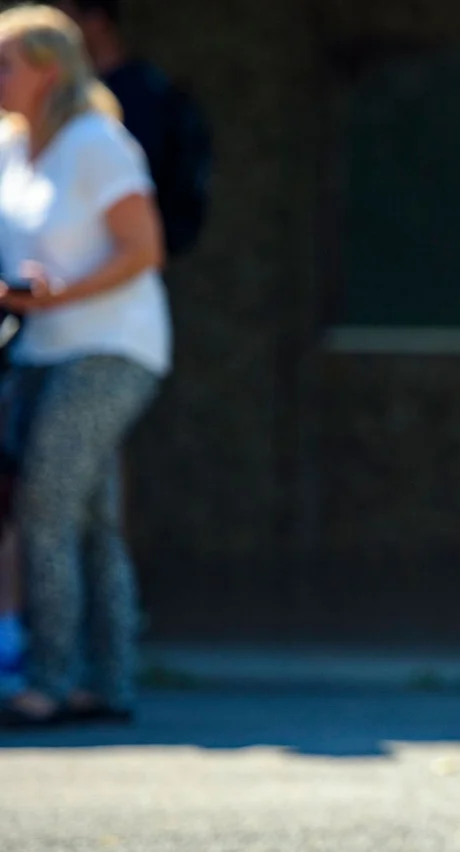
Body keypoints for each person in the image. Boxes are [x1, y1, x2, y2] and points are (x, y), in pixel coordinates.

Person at [0, 4, 169, 726]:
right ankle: (110, 682)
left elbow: (143, 250)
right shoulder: (11, 147)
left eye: (5, 63)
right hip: (41, 348)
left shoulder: (97, 142)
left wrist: (61, 293)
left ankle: (49, 680)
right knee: (92, 521)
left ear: (48, 71)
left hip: (109, 350)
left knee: (44, 509)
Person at [55, 0, 210, 258]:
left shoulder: (147, 97)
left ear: (96, 21)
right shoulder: (69, 98)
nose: (55, 38)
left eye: (62, 23)